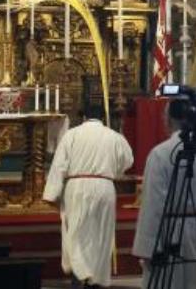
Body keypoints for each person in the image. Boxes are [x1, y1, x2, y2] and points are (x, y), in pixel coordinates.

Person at [132, 99, 196, 288]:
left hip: (169, 233)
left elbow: (153, 204)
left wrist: (148, 248)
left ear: (168, 119)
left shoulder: (160, 153)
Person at [43, 100, 134, 288]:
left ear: (83, 117)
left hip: (77, 187)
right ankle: (97, 280)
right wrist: (113, 172)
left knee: (76, 232)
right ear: (102, 118)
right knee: (102, 233)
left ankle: (79, 277)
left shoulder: (71, 135)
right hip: (104, 187)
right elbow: (127, 160)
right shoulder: (114, 136)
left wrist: (52, 194)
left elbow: (59, 164)